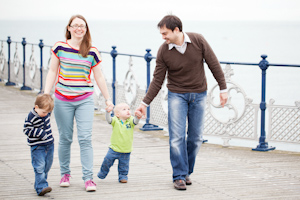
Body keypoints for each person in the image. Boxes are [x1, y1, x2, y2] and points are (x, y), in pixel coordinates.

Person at [135, 15, 228, 190]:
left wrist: (223, 89)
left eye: (165, 33)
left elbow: (213, 64)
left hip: (199, 95)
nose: (163, 37)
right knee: (176, 137)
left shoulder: (198, 40)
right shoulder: (164, 51)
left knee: (195, 138)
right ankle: (178, 176)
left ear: (177, 30)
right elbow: (157, 80)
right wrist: (144, 103)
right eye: (161, 34)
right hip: (176, 95)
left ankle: (186, 172)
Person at [44, 14, 114, 192]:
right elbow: (52, 71)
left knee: (85, 139)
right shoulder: (59, 47)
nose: (78, 29)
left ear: (86, 29)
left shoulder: (92, 51)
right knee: (65, 138)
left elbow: (99, 76)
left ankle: (88, 178)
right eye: (75, 26)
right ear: (69, 28)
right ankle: (65, 174)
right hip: (62, 99)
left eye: (82, 26)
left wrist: (108, 99)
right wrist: (46, 94)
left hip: (84, 99)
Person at [97, 103, 141, 183]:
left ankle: (123, 176)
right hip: (114, 148)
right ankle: (102, 173)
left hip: (126, 150)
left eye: (128, 109)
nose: (127, 111)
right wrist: (107, 112)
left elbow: (135, 122)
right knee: (107, 161)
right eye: (124, 109)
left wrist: (138, 116)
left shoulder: (130, 120)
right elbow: (109, 120)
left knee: (124, 165)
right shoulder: (115, 120)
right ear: (117, 114)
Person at [23, 94, 54, 196]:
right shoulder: (31, 117)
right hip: (38, 147)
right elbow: (26, 130)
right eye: (44, 112)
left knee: (47, 166)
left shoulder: (45, 113)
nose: (46, 114)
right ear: (36, 107)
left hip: (49, 144)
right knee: (39, 166)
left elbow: (49, 108)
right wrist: (39, 133)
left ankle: (40, 184)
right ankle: (41, 187)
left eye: (48, 112)